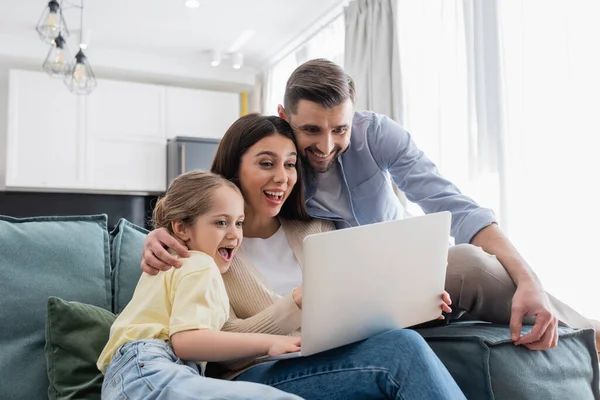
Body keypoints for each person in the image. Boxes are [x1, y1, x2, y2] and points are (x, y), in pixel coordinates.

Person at [142, 59, 599, 353]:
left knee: (471, 262)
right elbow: (207, 196)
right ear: (285, 116)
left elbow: (456, 207)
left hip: (397, 273)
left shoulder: (373, 135)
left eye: (338, 129)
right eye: (311, 132)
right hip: (347, 299)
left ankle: (584, 335)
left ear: (353, 116)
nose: (325, 146)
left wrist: (529, 280)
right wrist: (163, 229)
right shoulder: (268, 156)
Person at [144, 114, 467, 399]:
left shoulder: (317, 227)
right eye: (266, 163)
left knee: (403, 339)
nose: (282, 178)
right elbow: (219, 345)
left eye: (290, 164)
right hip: (253, 375)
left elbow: (353, 309)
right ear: (234, 170)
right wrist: (294, 305)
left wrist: (412, 302)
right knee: (402, 351)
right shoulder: (209, 248)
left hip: (332, 358)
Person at [97, 171, 304, 400]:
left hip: (128, 378)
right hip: (150, 364)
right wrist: (270, 342)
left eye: (239, 223)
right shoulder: (199, 264)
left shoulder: (171, 263)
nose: (234, 234)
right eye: (221, 222)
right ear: (182, 229)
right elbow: (187, 342)